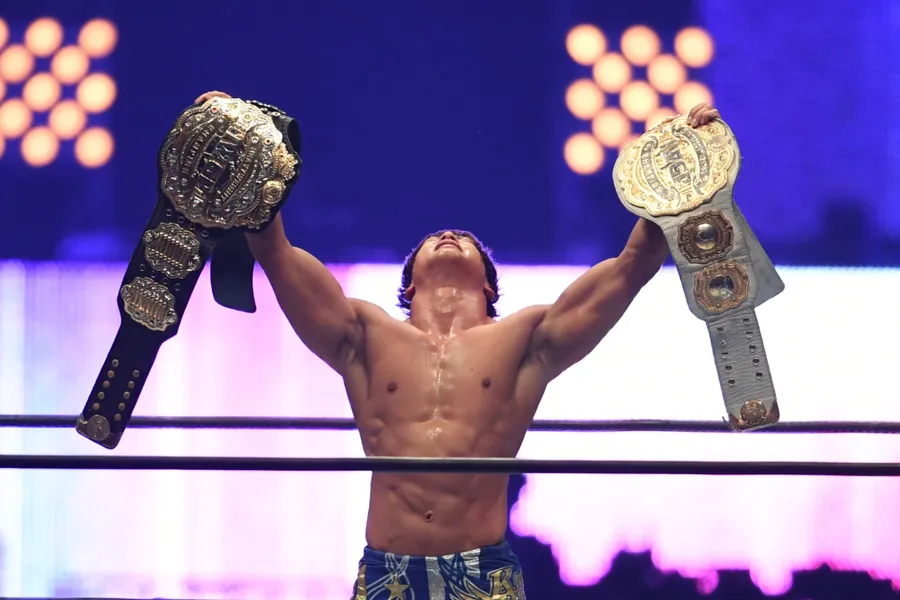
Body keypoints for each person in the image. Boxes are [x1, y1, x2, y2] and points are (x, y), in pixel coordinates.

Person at [195, 91, 721, 599]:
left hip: (480, 571)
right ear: (409, 286)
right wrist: (242, 135)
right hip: (389, 570)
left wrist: (683, 164)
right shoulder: (364, 333)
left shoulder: (527, 339)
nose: (449, 236)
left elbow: (631, 267)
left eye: (465, 240)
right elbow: (274, 249)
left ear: (489, 285)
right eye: (434, 239)